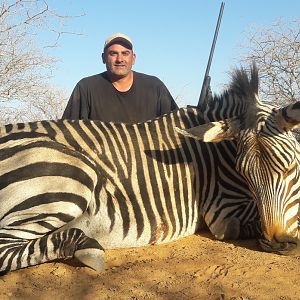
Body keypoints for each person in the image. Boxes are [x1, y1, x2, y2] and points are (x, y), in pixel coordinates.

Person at [62, 33, 178, 123]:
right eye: (113, 53)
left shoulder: (155, 86)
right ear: (103, 58)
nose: (120, 59)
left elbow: (177, 124)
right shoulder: (86, 87)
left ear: (133, 58)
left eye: (125, 53)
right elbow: (68, 130)